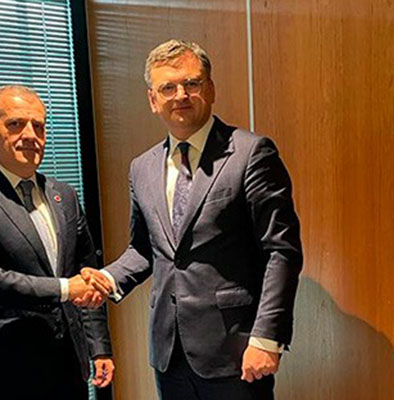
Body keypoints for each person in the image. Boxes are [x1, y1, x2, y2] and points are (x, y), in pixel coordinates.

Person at [82, 39, 303, 399]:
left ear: (210, 89)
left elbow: (281, 251)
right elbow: (145, 249)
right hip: (169, 353)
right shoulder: (142, 168)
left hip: (236, 351)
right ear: (153, 100)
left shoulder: (251, 153)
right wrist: (107, 279)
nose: (180, 95)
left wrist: (267, 337)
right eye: (168, 87)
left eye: (192, 83)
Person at [0, 85, 113, 400]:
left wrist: (99, 347)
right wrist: (64, 289)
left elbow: (86, 272)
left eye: (39, 126)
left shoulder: (65, 195)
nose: (30, 135)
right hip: (6, 372)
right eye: (15, 124)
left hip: (68, 366)